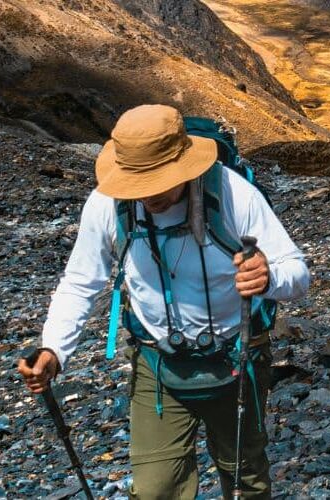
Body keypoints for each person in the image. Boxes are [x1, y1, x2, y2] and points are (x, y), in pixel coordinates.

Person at [17, 104, 310, 498]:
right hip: (158, 367)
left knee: (246, 482)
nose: (146, 195)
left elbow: (298, 274)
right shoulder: (108, 204)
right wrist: (53, 349)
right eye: (135, 182)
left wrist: (269, 277)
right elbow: (80, 283)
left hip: (237, 358)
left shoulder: (232, 192)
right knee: (155, 492)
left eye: (156, 180)